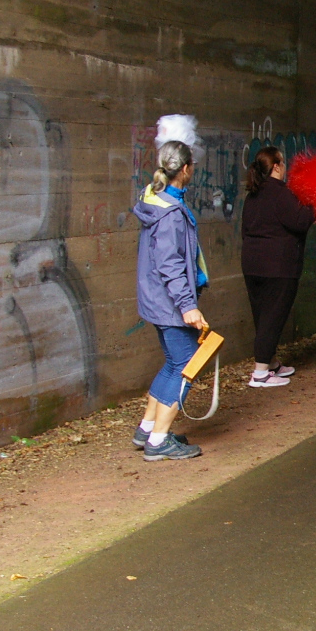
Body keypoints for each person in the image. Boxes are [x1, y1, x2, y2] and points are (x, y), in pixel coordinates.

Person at [131, 133, 207, 461]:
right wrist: (188, 306)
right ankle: (159, 441)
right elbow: (170, 264)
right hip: (170, 303)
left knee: (175, 361)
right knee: (187, 362)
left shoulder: (157, 199)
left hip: (157, 300)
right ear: (186, 169)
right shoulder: (171, 212)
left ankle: (147, 429)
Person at [241, 146, 315, 388]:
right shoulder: (281, 193)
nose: (286, 167)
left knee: (262, 315)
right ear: (276, 167)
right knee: (273, 317)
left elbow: (245, 230)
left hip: (252, 263)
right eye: (283, 163)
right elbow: (300, 222)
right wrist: (312, 205)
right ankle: (260, 373)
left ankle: (270, 362)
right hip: (278, 265)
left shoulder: (253, 195)